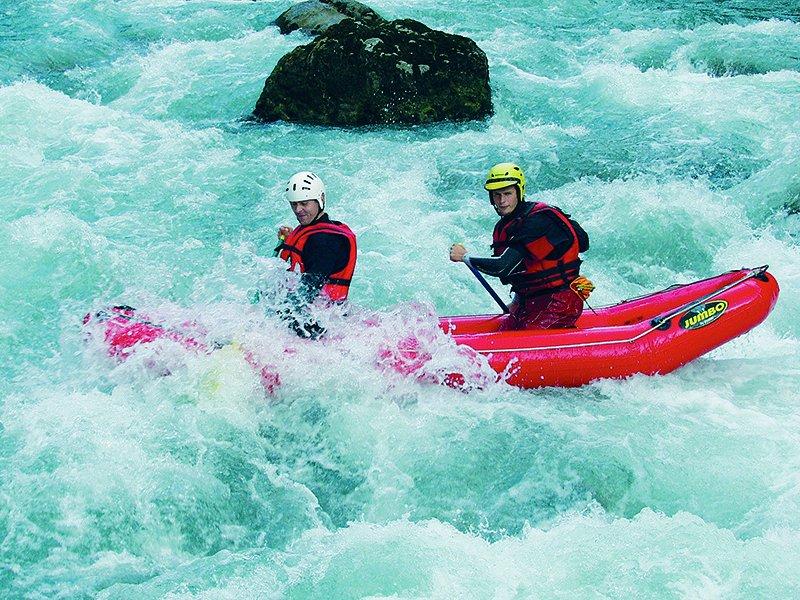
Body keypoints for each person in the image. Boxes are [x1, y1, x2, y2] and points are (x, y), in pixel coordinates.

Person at [449, 162, 590, 330]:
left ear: (519, 191)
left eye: (507, 194)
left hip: (559, 303)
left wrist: (465, 257)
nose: (502, 201)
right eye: (497, 195)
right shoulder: (509, 224)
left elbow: (502, 267)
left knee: (519, 339)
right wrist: (517, 302)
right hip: (528, 301)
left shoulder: (539, 220)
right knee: (502, 332)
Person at [274, 171, 357, 337]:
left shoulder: (325, 242)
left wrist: (271, 319)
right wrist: (285, 243)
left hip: (318, 329)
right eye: (294, 204)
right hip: (318, 318)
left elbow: (307, 292)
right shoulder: (313, 234)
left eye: (304, 203)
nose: (298, 210)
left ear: (320, 200)